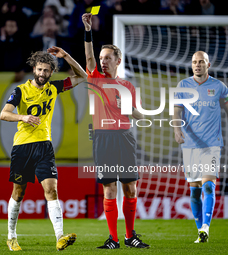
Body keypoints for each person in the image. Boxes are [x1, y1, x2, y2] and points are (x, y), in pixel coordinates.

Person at [0, 47, 87, 251]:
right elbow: (4, 114)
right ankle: (11, 236)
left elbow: (82, 76)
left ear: (51, 72)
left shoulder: (54, 88)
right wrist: (23, 117)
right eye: (39, 69)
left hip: (45, 146)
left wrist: (65, 56)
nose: (42, 74)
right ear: (34, 69)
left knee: (52, 189)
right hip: (22, 146)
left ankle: (60, 237)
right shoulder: (20, 91)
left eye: (46, 71)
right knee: (18, 193)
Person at [82, 13, 150, 249]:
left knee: (130, 187)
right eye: (102, 58)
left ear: (118, 60)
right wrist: (88, 30)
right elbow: (88, 55)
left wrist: (129, 107)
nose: (103, 61)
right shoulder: (95, 79)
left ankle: (130, 236)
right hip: (103, 137)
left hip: (125, 137)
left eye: (108, 58)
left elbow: (140, 115)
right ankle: (114, 238)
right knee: (109, 188)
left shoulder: (127, 86)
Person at [172, 51, 228, 243]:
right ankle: (200, 231)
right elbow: (177, 109)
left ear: (208, 64)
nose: (197, 65)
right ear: (192, 65)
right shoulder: (183, 85)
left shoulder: (219, 87)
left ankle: (206, 227)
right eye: (194, 62)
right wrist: (176, 130)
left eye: (201, 62)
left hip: (212, 144)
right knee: (195, 189)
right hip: (190, 145)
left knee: (209, 187)